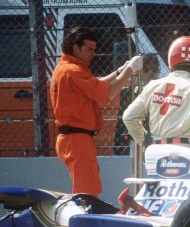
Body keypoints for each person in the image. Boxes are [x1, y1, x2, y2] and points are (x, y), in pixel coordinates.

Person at [50, 26, 142, 197]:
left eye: (94, 49)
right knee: (87, 192)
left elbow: (97, 86)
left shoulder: (68, 68)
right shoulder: (73, 71)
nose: (93, 53)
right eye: (89, 49)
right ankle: (82, 222)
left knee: (86, 188)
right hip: (76, 139)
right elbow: (106, 94)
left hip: (74, 138)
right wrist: (130, 70)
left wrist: (118, 72)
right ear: (75, 48)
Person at [123, 36, 190, 153]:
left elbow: (128, 117)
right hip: (183, 150)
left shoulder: (152, 86)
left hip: (156, 150)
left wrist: (142, 139)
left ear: (170, 59)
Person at [115, 54, 160, 155]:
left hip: (155, 135)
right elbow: (121, 122)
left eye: (154, 70)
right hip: (134, 135)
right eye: (146, 69)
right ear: (140, 72)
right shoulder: (129, 92)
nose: (151, 73)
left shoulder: (161, 90)